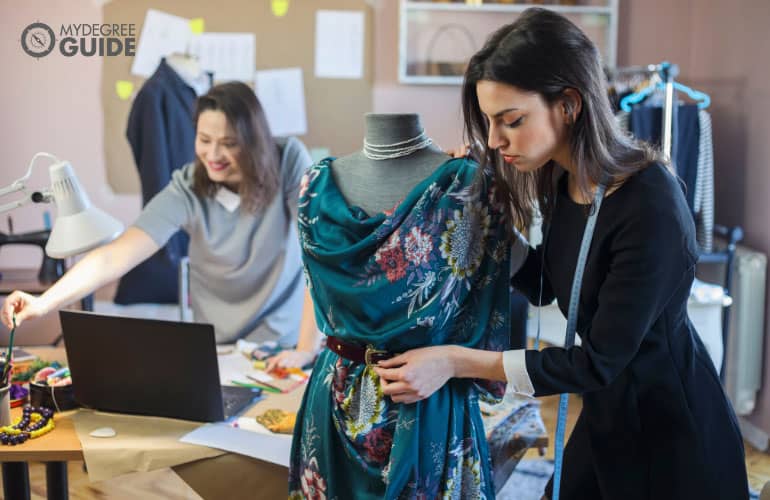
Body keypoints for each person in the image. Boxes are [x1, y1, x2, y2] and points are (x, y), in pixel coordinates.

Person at [374, 9, 749, 500]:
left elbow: (595, 362)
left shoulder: (650, 204)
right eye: (489, 122)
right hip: (607, 414)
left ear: (569, 104)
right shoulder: (563, 179)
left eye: (511, 121)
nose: (494, 140)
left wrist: (454, 361)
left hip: (670, 430)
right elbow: (551, 285)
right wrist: (485, 224)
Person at [288, 113, 516, 499]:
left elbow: (503, 285)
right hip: (334, 405)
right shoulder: (314, 184)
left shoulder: (471, 185)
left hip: (427, 396)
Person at [2, 82, 316, 350]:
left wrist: (305, 350)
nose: (214, 155)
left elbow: (319, 256)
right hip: (218, 348)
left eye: (229, 144)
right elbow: (114, 257)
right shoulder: (188, 187)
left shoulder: (287, 161)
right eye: (204, 141)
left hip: (283, 346)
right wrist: (43, 303)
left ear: (254, 140)